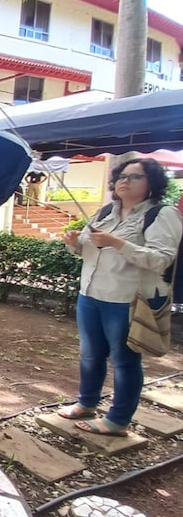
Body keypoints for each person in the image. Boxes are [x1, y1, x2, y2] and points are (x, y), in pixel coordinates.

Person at [60, 157, 182, 436]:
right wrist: (75, 244)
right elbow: (90, 252)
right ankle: (87, 403)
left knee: (125, 360)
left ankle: (118, 420)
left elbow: (162, 259)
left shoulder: (162, 215)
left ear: (152, 183)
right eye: (122, 176)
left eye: (135, 177)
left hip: (127, 300)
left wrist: (118, 243)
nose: (124, 181)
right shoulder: (106, 212)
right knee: (90, 355)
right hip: (90, 295)